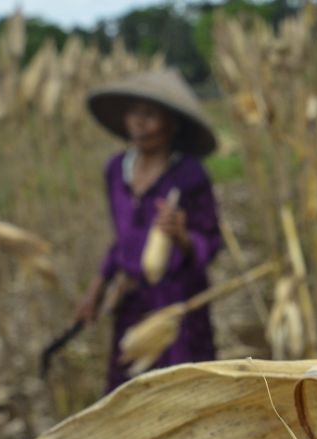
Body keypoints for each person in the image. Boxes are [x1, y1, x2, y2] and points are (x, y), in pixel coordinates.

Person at [77, 69, 223, 393]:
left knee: (183, 390)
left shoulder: (189, 174)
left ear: (171, 124)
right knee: (132, 389)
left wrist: (181, 237)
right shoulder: (116, 170)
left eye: (150, 114)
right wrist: (97, 289)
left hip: (177, 302)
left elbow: (211, 241)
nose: (138, 123)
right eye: (133, 113)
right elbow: (121, 240)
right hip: (132, 299)